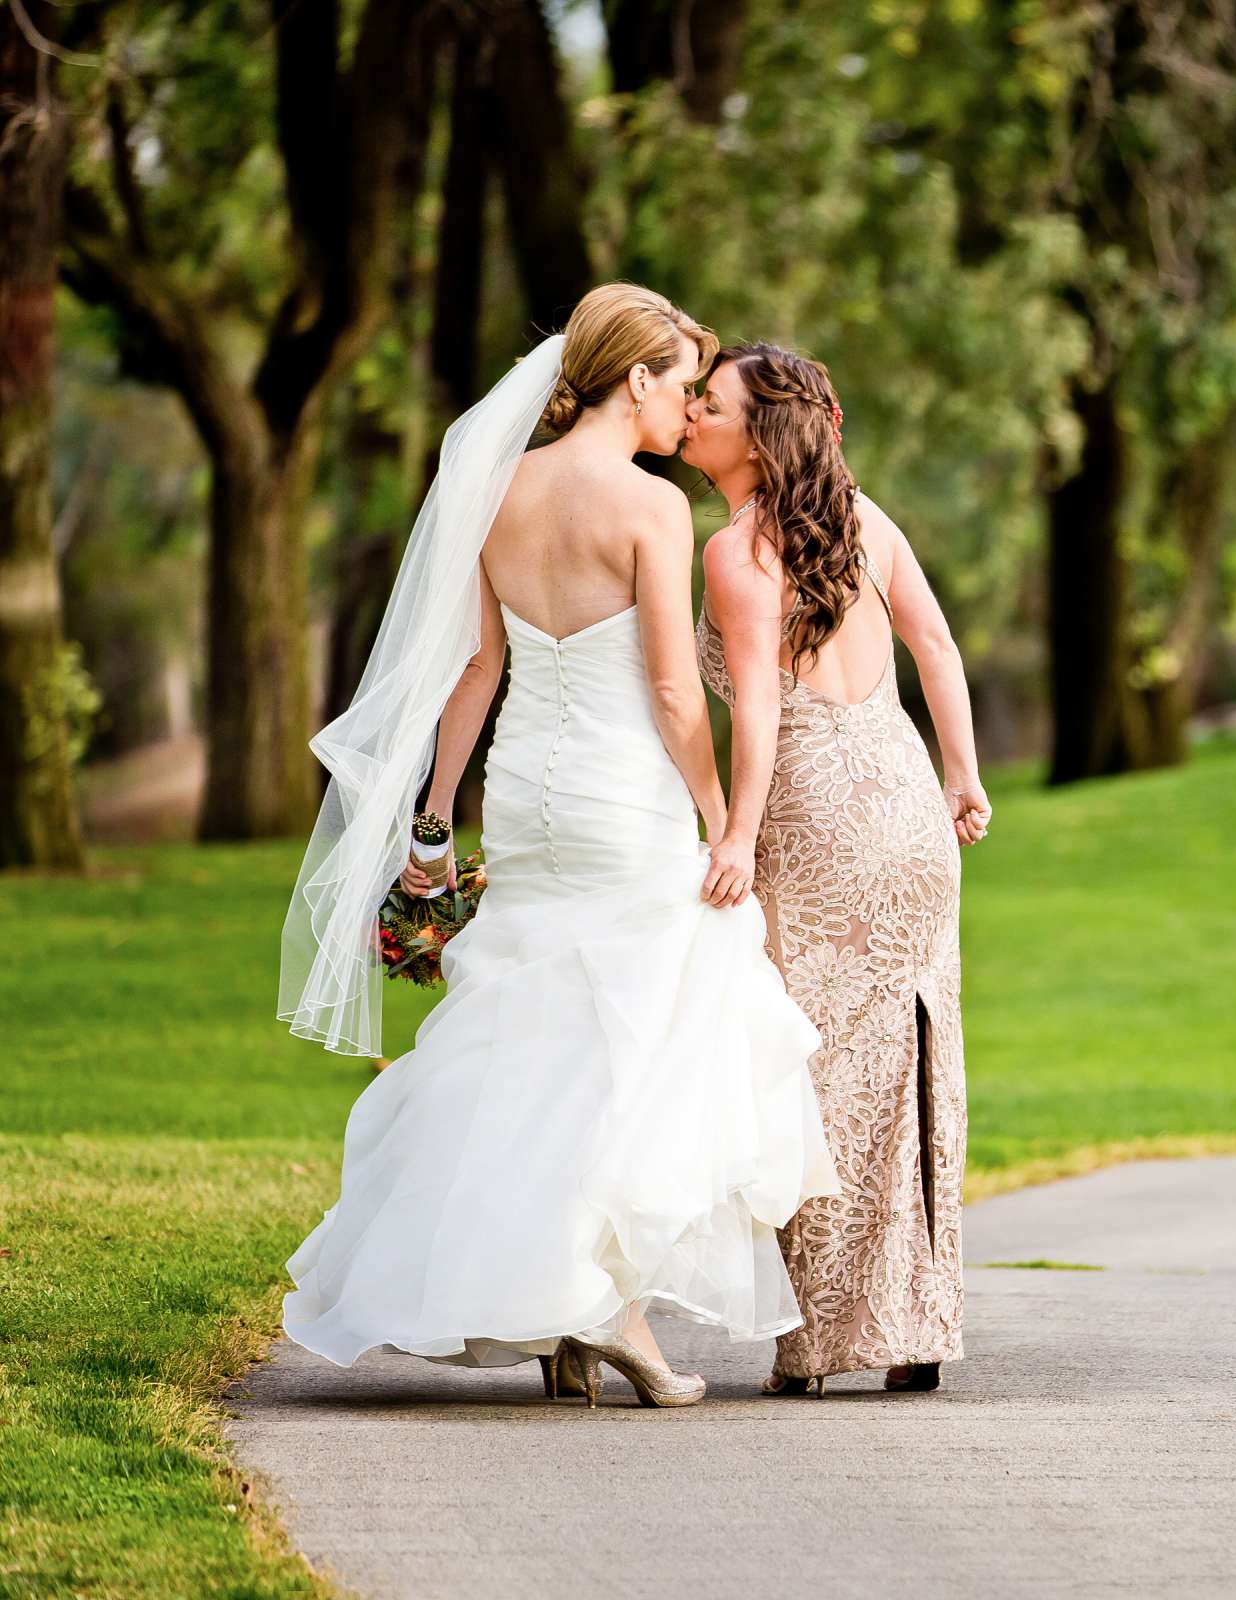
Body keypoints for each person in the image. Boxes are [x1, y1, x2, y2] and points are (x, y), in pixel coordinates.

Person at [277, 285, 839, 1408]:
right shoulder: (651, 509)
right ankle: (606, 1308)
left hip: (524, 794)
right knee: (635, 1038)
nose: (688, 412)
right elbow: (678, 693)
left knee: (534, 1031)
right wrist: (720, 812)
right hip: (622, 794)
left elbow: (475, 673)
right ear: (635, 381)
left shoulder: (496, 491)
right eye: (682, 387)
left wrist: (435, 821)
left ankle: (568, 1324)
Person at [683, 343, 988, 1395]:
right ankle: (915, 1330)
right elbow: (938, 650)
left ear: (759, 431)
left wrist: (734, 836)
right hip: (907, 807)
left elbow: (759, 716)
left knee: (806, 1067)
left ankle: (817, 1345)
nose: (688, 415)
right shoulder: (868, 521)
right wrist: (963, 777)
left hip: (815, 821)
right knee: (911, 1061)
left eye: (708, 404)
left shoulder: (735, 552)